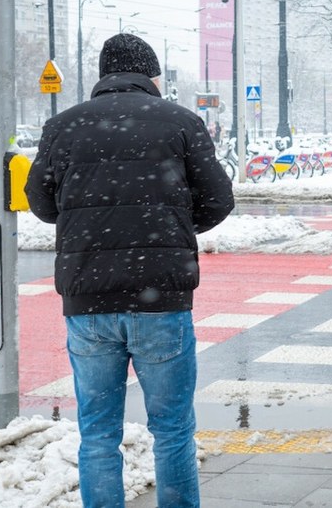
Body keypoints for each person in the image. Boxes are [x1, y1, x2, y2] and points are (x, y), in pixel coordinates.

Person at [25, 33, 235, 508]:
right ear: (150, 74)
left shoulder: (63, 126)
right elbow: (219, 199)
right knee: (173, 430)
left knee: (98, 434)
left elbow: (40, 202)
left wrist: (89, 223)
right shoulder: (181, 122)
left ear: (104, 74)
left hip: (88, 301)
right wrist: (173, 227)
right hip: (161, 297)